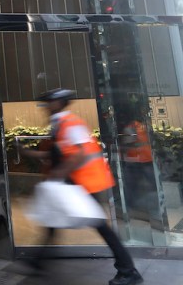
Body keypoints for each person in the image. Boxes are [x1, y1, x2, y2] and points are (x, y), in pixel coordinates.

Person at [18, 89, 143, 285]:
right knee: (52, 222)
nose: (45, 107)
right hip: (76, 182)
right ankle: (38, 262)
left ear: (59, 103)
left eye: (48, 102)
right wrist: (29, 154)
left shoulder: (71, 124)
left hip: (86, 182)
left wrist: (58, 174)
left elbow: (80, 154)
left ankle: (128, 271)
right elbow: (59, 153)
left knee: (100, 226)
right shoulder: (60, 124)